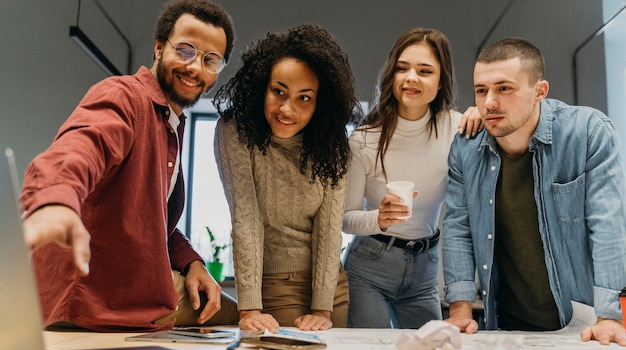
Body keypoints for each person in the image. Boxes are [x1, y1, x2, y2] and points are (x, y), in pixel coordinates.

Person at [20, 0, 239, 332]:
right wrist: (54, 201)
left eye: (210, 60)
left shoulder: (172, 124)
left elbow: (151, 216)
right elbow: (82, 146)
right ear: (158, 47)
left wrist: (192, 261)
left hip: (131, 297)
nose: (195, 67)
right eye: (185, 50)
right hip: (89, 303)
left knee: (225, 312)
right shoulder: (125, 96)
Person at [443, 37, 626, 346]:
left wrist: (609, 316)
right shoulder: (466, 148)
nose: (489, 102)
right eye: (481, 91)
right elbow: (457, 227)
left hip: (584, 325)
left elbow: (608, 225)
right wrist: (460, 310)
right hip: (506, 327)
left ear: (540, 91)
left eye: (504, 88)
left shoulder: (587, 133)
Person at [213, 24, 362, 333]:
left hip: (331, 289)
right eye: (278, 91)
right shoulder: (235, 132)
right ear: (261, 87)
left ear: (320, 102)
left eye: (304, 98)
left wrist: (322, 308)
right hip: (275, 288)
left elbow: (329, 227)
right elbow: (246, 219)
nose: (287, 109)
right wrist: (250, 308)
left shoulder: (332, 144)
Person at [342, 28, 482, 328]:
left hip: (425, 270)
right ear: (391, 74)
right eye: (402, 68)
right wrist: (378, 218)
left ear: (441, 80)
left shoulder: (459, 129)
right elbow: (344, 218)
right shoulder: (364, 140)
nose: (411, 78)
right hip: (370, 267)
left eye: (425, 71)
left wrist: (482, 115)